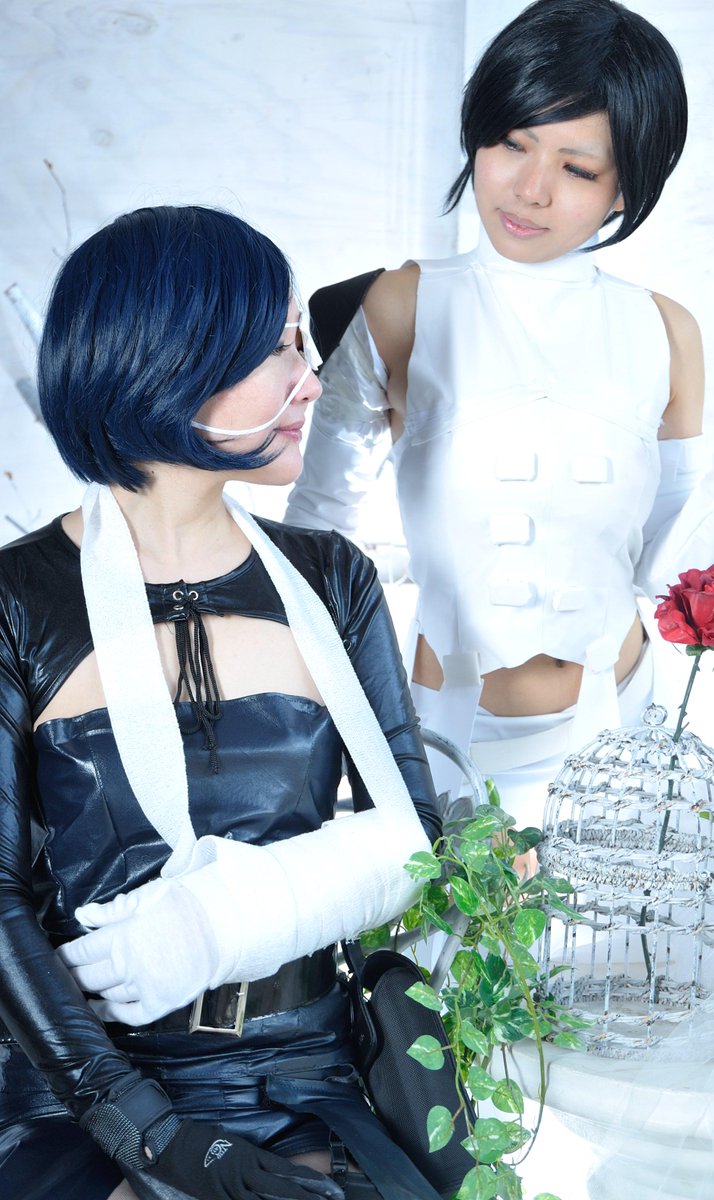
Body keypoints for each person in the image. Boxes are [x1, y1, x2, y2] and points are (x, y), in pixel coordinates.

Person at [0, 205, 444, 1200]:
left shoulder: (333, 578)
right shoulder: (16, 602)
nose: (312, 380)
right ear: (171, 366)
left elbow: (411, 837)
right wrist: (157, 1138)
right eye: (281, 348)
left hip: (314, 1078)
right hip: (85, 1094)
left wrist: (210, 925)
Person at [284, 0, 714, 825]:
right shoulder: (400, 304)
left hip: (620, 732)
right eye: (510, 142)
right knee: (437, 912)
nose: (529, 189)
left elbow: (668, 574)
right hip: (443, 734)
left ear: (627, 183)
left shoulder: (664, 330)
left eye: (577, 168)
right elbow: (320, 537)